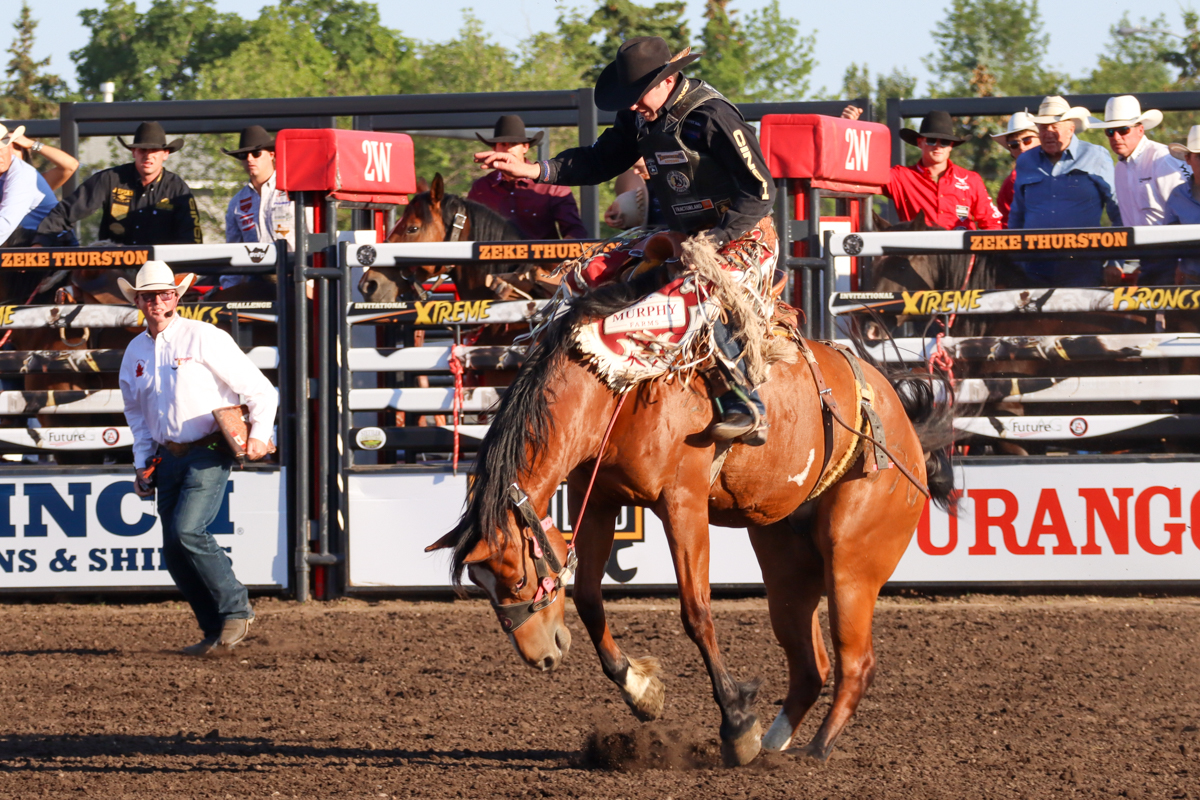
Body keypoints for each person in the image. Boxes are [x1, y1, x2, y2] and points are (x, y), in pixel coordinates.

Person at [474, 37, 777, 444]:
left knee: (700, 287)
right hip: (677, 233)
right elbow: (597, 160)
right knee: (587, 273)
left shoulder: (712, 115)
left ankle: (745, 400)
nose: (632, 105)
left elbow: (759, 191)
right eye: (628, 96)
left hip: (742, 232)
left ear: (666, 82)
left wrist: (715, 239)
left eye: (638, 95)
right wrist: (533, 169)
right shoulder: (635, 119)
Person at [118, 261, 277, 655]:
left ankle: (236, 609)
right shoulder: (135, 350)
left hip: (208, 448)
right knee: (174, 549)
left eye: (164, 294)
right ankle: (214, 631)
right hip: (166, 455)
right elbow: (136, 414)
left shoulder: (204, 336)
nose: (157, 301)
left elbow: (259, 389)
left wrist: (259, 435)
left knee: (187, 532)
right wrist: (141, 461)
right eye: (149, 295)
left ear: (176, 297)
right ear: (138, 300)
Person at [1008, 96, 1121, 287]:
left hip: (1082, 263)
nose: (1048, 133)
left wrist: (1115, 261)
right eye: (1043, 128)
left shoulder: (1096, 155)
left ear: (1071, 128)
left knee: (1081, 316)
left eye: (1055, 126)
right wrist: (1015, 262)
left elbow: (1117, 210)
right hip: (1035, 264)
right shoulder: (1026, 161)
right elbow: (1017, 215)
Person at [37, 121, 202, 246]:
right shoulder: (110, 179)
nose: (148, 156)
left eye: (154, 151)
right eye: (143, 150)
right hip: (114, 268)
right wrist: (40, 243)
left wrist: (183, 268)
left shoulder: (177, 188)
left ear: (165, 154)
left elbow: (191, 236)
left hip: (160, 269)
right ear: (133, 152)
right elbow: (67, 211)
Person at [842, 107, 1001, 230]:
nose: (938, 146)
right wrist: (848, 128)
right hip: (919, 260)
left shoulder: (971, 179)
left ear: (951, 146)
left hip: (961, 261)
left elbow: (991, 223)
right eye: (932, 140)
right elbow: (862, 170)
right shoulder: (901, 177)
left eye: (945, 142)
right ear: (920, 143)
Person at [1096, 95, 1188, 285]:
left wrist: (1183, 262)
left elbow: (1189, 211)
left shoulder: (1162, 159)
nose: (1116, 137)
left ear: (1140, 129)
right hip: (1150, 258)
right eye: (1110, 131)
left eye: (1123, 130)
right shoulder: (1120, 168)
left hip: (1175, 256)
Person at [468, 115, 588, 240]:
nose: (508, 149)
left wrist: (563, 255)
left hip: (542, 258)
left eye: (513, 143)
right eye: (503, 144)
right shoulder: (481, 188)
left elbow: (575, 231)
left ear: (525, 147)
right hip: (494, 258)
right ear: (494, 148)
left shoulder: (551, 186)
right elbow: (469, 229)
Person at [221, 125, 296, 288]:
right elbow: (232, 249)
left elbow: (313, 235)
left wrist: (310, 282)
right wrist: (228, 290)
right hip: (256, 281)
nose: (249, 159)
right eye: (243, 155)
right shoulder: (236, 203)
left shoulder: (295, 191)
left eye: (256, 153)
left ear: (271, 154)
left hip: (294, 275)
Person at [0, 123, 58, 247]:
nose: (0, 155)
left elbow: (5, 224)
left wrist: (34, 145)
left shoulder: (22, 175)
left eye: (3, 147)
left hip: (52, 249)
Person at [990, 111, 1040, 227]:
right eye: (1014, 144)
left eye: (1027, 140)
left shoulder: (1063, 168)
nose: (1022, 147)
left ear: (1041, 139)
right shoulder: (1011, 183)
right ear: (1010, 150)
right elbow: (1007, 224)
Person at [1163, 127, 1200, 285]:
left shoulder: (1178, 196)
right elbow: (1168, 241)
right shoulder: (1178, 196)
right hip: (1191, 280)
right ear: (1188, 159)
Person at [11, 132, 79, 191]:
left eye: (16, 147)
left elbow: (70, 165)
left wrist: (32, 144)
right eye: (3, 147)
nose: (10, 151)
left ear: (24, 153)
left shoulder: (34, 182)